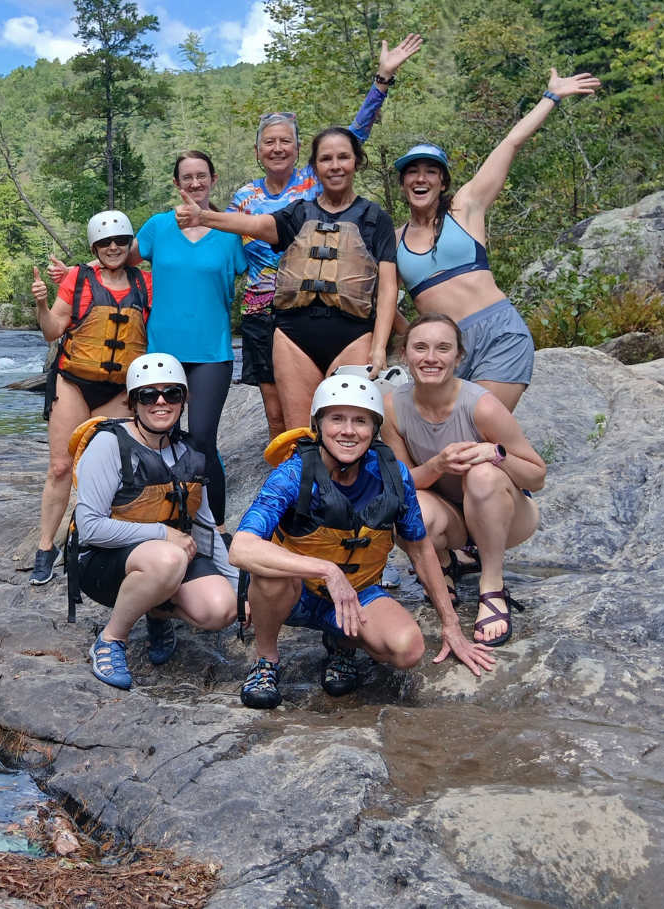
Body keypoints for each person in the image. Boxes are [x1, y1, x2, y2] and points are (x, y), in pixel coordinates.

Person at [230, 374, 492, 707]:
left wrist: (451, 625)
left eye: (360, 421)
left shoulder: (392, 476)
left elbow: (420, 548)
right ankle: (266, 659)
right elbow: (241, 548)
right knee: (270, 573)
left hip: (357, 593)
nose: (348, 430)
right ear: (319, 425)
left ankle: (341, 643)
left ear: (374, 428)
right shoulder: (293, 474)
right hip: (296, 594)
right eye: (336, 419)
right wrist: (327, 570)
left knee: (408, 650)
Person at [232, 35, 423, 439]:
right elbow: (231, 241)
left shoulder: (312, 181)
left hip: (342, 309)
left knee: (347, 425)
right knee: (280, 419)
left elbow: (354, 133)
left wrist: (382, 80)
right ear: (257, 150)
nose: (277, 147)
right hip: (270, 311)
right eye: (270, 142)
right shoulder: (244, 197)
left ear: (300, 149)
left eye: (286, 140)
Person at [48, 151, 247, 534]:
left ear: (213, 179)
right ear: (176, 183)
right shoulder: (158, 227)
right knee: (156, 437)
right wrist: (77, 272)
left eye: (201, 176)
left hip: (211, 352)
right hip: (160, 353)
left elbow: (254, 271)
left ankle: (216, 530)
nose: (194, 183)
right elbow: (117, 260)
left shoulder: (229, 232)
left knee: (202, 439)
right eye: (186, 177)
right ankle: (153, 516)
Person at [394, 69, 600, 411]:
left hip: (499, 334)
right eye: (412, 172)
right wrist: (412, 338)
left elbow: (510, 143)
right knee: (449, 444)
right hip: (442, 350)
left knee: (476, 428)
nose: (421, 178)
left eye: (431, 171)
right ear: (403, 184)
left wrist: (552, 97)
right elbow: (381, 302)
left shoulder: (465, 207)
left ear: (442, 182)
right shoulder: (394, 239)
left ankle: (517, 463)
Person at [176, 127, 399, 437]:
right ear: (315, 167)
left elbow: (388, 287)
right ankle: (299, 485)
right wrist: (204, 217)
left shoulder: (376, 218)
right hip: (294, 339)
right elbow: (253, 223)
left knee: (350, 434)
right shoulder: (298, 213)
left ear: (356, 162)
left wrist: (379, 348)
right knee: (298, 437)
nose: (335, 166)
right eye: (326, 159)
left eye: (343, 157)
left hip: (353, 336)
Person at [67, 353, 237, 690]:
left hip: (164, 561)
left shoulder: (189, 453)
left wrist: (237, 586)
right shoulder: (108, 445)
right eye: (148, 395)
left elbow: (203, 526)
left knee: (221, 610)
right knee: (168, 556)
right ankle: (111, 639)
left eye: (172, 394)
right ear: (132, 403)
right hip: (103, 564)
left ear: (183, 400)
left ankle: (157, 612)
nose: (161, 402)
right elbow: (89, 527)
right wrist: (162, 533)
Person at [382, 312, 546, 646]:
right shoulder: (392, 408)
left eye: (443, 348)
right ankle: (445, 563)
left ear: (458, 357)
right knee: (401, 505)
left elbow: (537, 475)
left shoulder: (481, 406)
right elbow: (401, 482)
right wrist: (438, 464)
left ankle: (492, 584)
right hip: (450, 515)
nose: (431, 358)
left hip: (508, 513)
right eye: (421, 348)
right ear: (405, 355)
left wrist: (496, 453)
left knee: (482, 474)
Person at [29, 210, 152, 586]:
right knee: (61, 467)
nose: (112, 248)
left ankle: (91, 538)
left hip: (120, 390)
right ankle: (45, 547)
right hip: (73, 383)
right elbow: (53, 332)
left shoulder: (146, 283)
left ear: (129, 245)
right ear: (95, 247)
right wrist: (41, 304)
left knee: (106, 470)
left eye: (119, 241)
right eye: (104, 243)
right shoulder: (78, 281)